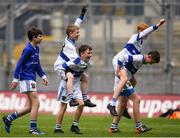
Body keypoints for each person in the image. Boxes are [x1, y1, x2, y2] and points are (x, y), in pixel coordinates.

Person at [107, 19, 166, 116]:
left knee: (133, 81)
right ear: (140, 30)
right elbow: (145, 32)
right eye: (144, 32)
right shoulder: (136, 37)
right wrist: (158, 25)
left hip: (123, 62)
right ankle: (112, 104)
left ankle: (123, 105)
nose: (146, 34)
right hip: (118, 60)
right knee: (124, 79)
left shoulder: (140, 43)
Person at [2, 27, 49, 135]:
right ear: (34, 38)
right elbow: (19, 64)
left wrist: (43, 76)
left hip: (31, 78)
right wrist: (15, 80)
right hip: (26, 78)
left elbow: (37, 65)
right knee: (36, 103)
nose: (42, 38)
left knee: (30, 107)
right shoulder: (28, 49)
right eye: (40, 36)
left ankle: (9, 118)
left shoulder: (36, 48)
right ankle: (32, 129)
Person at [108, 51, 160, 134]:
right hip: (122, 81)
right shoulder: (139, 58)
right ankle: (139, 127)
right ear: (149, 56)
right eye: (152, 62)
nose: (150, 64)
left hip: (123, 80)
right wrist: (118, 71)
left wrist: (131, 79)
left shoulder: (141, 61)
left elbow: (128, 70)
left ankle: (113, 127)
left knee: (122, 105)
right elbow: (122, 58)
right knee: (136, 99)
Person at [54, 6, 91, 107]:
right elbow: (77, 61)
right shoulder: (70, 46)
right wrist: (85, 64)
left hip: (66, 64)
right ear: (70, 33)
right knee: (70, 76)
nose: (79, 34)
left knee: (84, 76)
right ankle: (70, 99)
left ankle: (85, 98)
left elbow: (77, 23)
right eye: (77, 33)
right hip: (60, 66)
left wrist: (82, 14)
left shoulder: (70, 38)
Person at [54, 45, 94, 134]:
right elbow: (63, 66)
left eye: (91, 53)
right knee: (63, 107)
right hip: (66, 86)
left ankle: (74, 126)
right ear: (82, 54)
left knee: (81, 104)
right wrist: (68, 73)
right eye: (88, 53)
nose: (90, 55)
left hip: (75, 86)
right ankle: (57, 128)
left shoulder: (86, 63)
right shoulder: (75, 61)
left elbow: (80, 73)